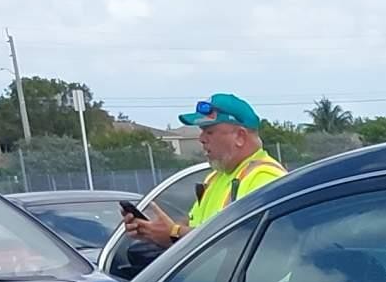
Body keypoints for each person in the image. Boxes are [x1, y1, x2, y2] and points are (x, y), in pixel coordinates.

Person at [121, 94, 286, 247]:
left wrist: (173, 233)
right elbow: (195, 228)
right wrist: (155, 231)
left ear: (240, 137)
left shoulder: (264, 177)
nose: (201, 139)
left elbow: (242, 242)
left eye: (209, 132)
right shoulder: (215, 178)